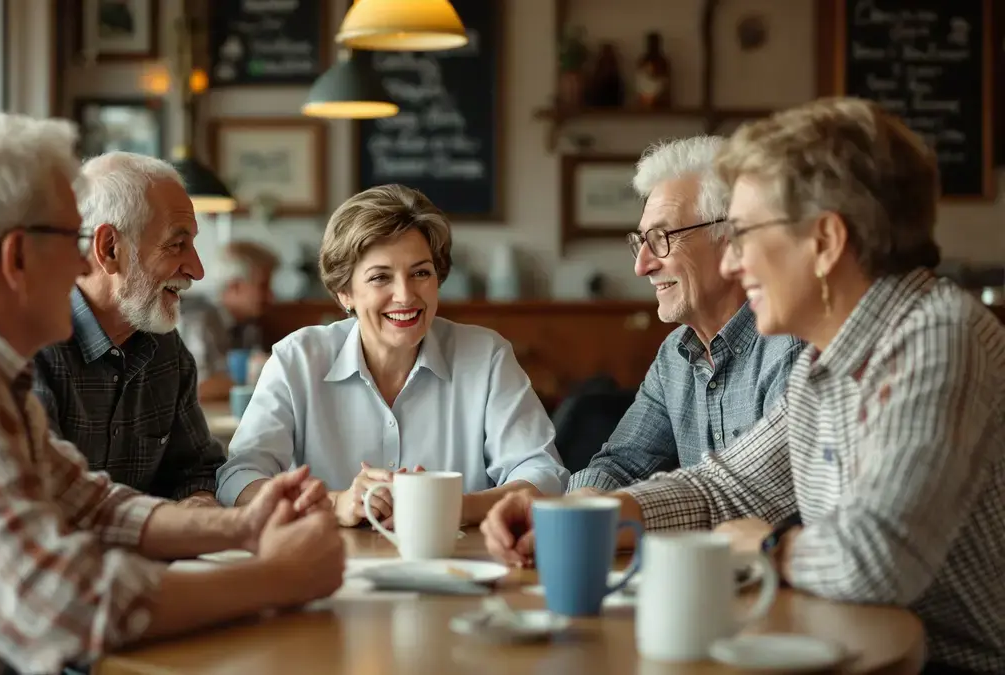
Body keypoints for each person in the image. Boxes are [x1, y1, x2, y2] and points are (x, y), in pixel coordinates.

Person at [0, 112, 342, 674]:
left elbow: (91, 504)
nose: (83, 262)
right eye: (72, 238)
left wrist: (245, 525)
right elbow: (60, 606)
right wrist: (280, 578)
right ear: (17, 258)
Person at [486, 98, 1005, 673]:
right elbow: (723, 490)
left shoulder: (938, 334)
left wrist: (766, 547)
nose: (734, 264)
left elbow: (874, 561)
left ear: (825, 242)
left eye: (748, 233)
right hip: (843, 646)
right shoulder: (826, 362)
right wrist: (574, 515)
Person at [216, 184, 569, 526]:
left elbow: (544, 475)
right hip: (323, 567)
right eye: (380, 277)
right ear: (345, 293)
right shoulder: (297, 359)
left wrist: (452, 507)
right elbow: (239, 477)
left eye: (420, 273)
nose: (405, 295)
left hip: (459, 566)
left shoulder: (487, 356)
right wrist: (333, 502)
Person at [567, 136, 803, 495]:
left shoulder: (792, 344)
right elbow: (621, 464)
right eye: (641, 241)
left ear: (730, 236)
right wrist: (577, 507)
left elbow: (758, 493)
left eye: (661, 237)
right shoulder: (675, 355)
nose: (641, 266)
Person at [31, 151, 226, 505]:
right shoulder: (31, 347)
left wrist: (198, 509)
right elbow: (54, 501)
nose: (197, 270)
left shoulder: (165, 348)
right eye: (176, 245)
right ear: (109, 249)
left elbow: (197, 469)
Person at [180, 240, 279, 401]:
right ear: (235, 286)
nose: (270, 296)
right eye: (263, 286)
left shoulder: (250, 326)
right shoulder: (201, 321)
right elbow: (197, 387)